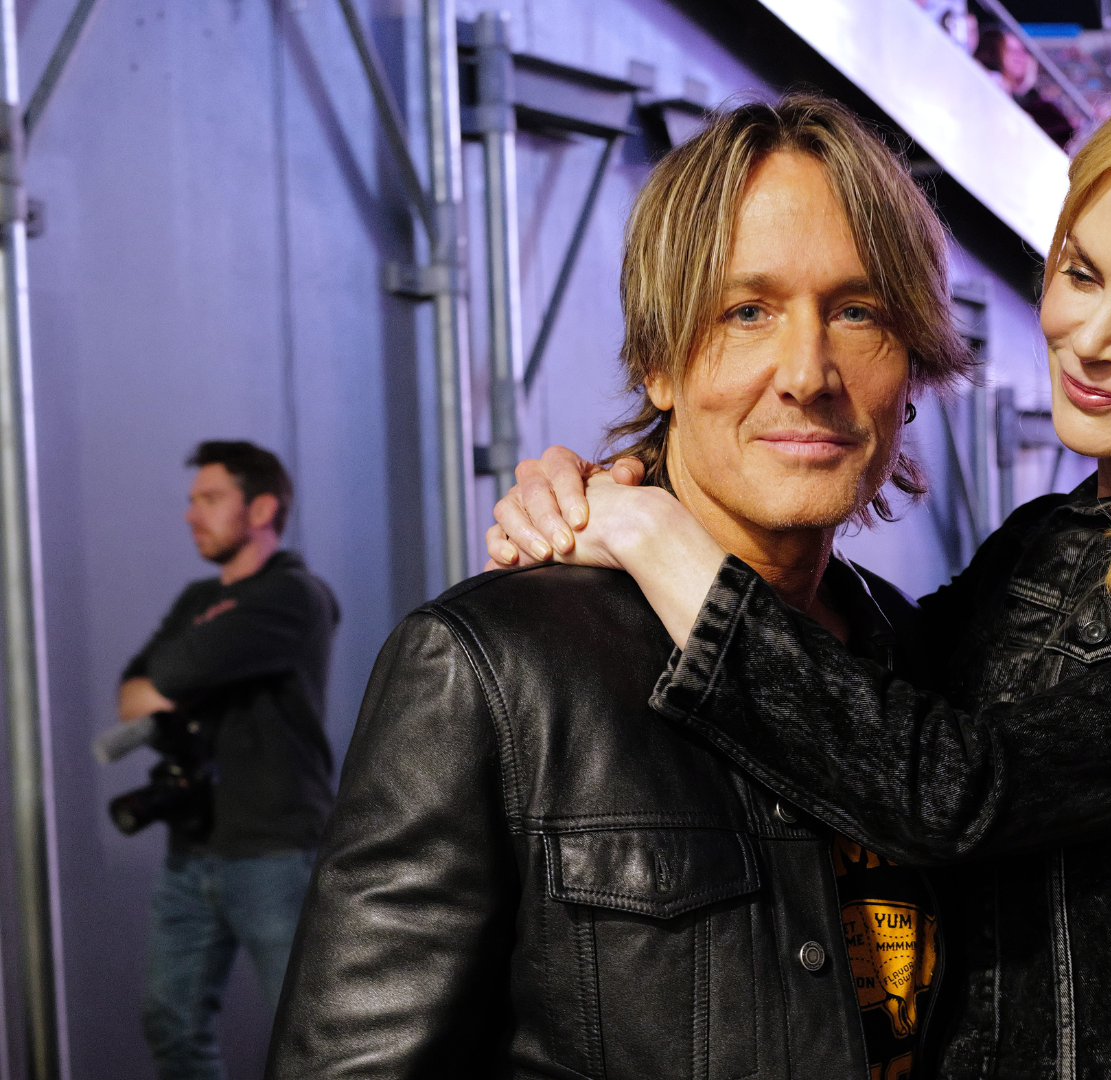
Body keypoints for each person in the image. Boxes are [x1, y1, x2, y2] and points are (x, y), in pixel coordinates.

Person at [491, 64, 1111, 1076]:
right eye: (1083, 272)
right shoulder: (1044, 539)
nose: (1090, 341)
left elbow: (953, 793)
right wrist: (606, 486)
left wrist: (658, 534)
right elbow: (851, 709)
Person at [267, 97, 972, 1080]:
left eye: (858, 311)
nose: (807, 372)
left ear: (913, 366)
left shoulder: (930, 661)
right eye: (746, 311)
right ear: (656, 364)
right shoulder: (492, 669)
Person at [120, 441, 338, 1080]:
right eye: (192, 501)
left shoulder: (295, 595)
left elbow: (177, 668)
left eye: (210, 499)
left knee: (304, 1037)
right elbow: (134, 690)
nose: (192, 514)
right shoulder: (196, 598)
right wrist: (174, 678)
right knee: (170, 1022)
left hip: (275, 850)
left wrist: (176, 679)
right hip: (192, 851)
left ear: (263, 507)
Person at [975, 26, 1077, 146]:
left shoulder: (1020, 95)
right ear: (994, 53)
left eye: (1022, 51)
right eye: (1010, 50)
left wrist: (1028, 82)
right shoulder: (992, 84)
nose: (1019, 56)